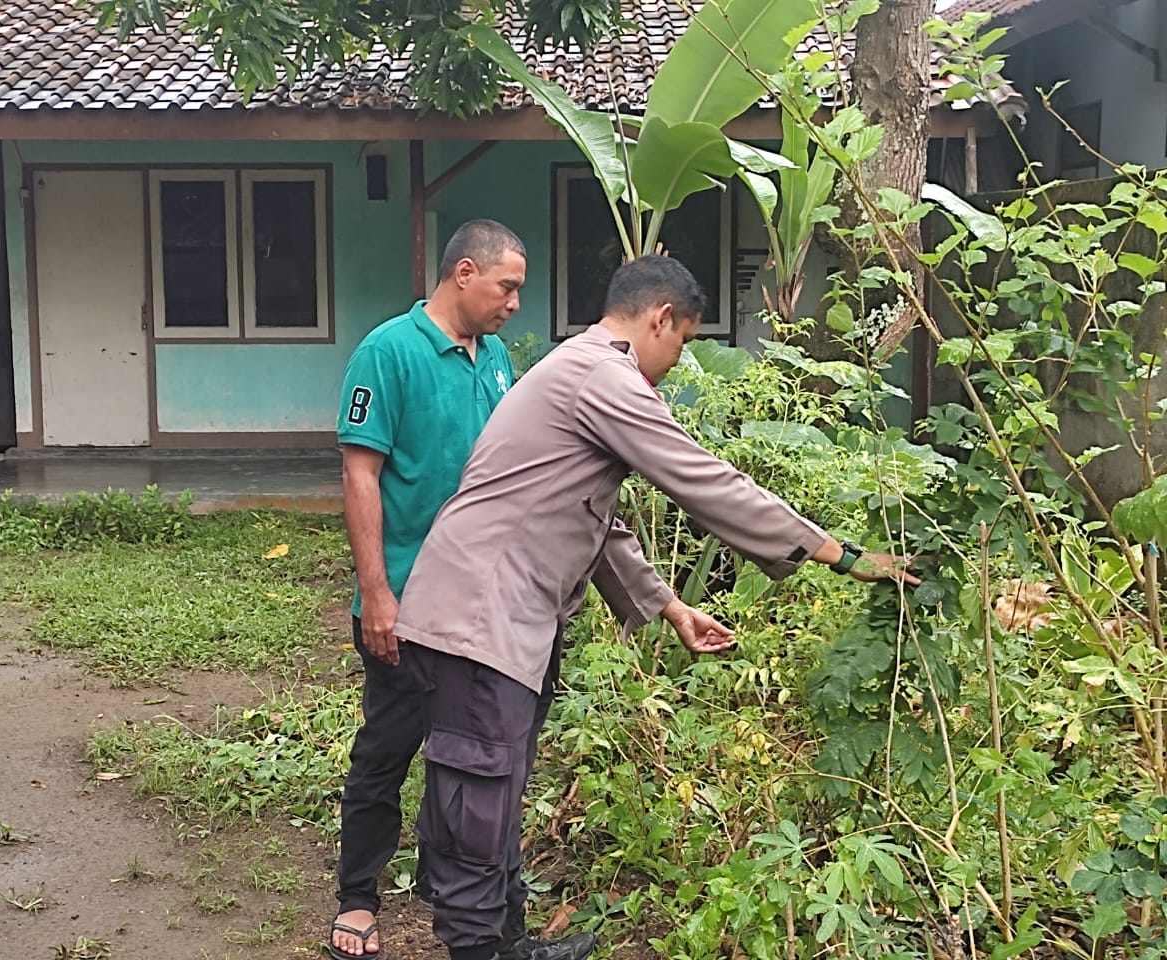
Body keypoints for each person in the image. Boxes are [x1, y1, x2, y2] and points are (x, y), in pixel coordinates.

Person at [393, 255, 920, 960]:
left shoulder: (580, 369)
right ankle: (479, 950)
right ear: (661, 319)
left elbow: (594, 518)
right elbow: (704, 480)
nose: (676, 362)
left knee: (498, 788)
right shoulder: (604, 375)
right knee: (477, 799)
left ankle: (507, 943)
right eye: (683, 342)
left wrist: (669, 606)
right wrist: (840, 554)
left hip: (502, 618)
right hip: (479, 616)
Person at [332, 220, 570, 960]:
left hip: (481, 610)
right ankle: (358, 899)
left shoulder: (494, 357)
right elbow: (361, 476)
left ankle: (497, 925)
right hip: (408, 605)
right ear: (464, 273)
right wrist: (377, 593)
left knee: (486, 766)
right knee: (386, 753)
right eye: (507, 287)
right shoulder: (388, 352)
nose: (514, 303)